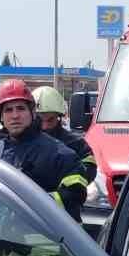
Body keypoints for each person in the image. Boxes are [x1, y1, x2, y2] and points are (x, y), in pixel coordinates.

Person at [0, 79, 81, 256]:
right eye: (8, 110)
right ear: (1, 117)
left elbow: (75, 195)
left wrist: (31, 204)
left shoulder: (59, 154)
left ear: (32, 112)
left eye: (20, 108)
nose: (15, 116)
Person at [32, 84, 95, 220]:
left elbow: (89, 168)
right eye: (39, 120)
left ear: (59, 118)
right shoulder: (23, 144)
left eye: (50, 120)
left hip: (66, 221)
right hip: (28, 222)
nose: (45, 126)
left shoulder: (75, 143)